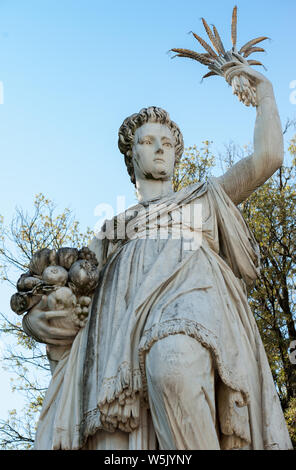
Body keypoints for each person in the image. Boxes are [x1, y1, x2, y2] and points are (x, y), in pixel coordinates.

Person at [23, 62, 292, 450]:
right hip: (117, 335)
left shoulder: (202, 198)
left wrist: (264, 93)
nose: (160, 148)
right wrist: (43, 316)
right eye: (149, 142)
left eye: (167, 142)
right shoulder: (110, 231)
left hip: (190, 296)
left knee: (173, 365)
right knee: (113, 438)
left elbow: (268, 159)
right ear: (132, 158)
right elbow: (72, 309)